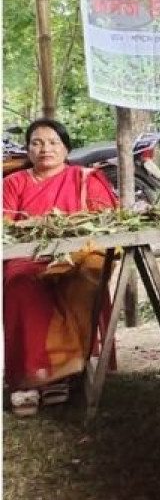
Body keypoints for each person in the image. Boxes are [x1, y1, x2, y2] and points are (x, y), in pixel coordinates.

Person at [4, 119, 119, 415]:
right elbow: (5, 226)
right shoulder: (12, 183)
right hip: (28, 257)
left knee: (87, 274)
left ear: (66, 147)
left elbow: (107, 223)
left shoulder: (86, 179)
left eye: (53, 142)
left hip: (77, 255)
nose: (45, 149)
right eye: (37, 143)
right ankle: (29, 378)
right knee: (21, 281)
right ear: (27, 149)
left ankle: (65, 372)